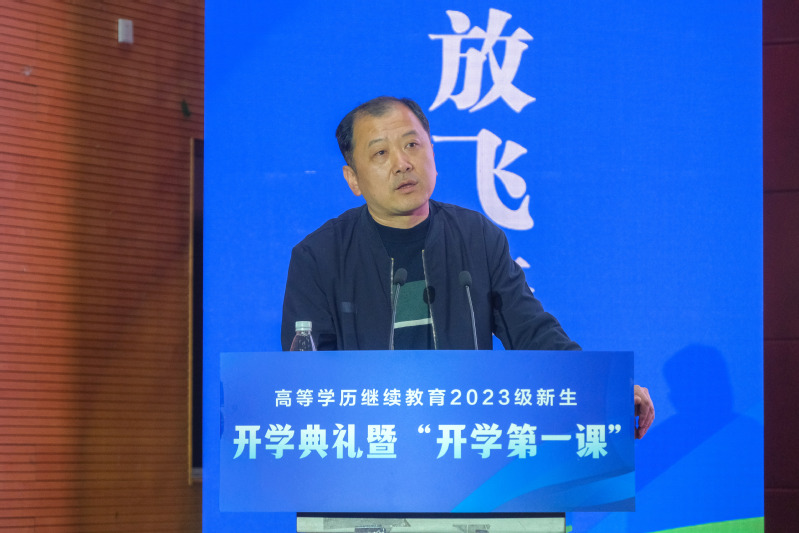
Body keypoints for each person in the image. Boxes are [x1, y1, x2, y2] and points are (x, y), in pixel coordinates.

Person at [281, 96, 654, 438]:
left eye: (412, 145)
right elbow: (306, 380)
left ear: (432, 152)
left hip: (466, 447)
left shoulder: (476, 237)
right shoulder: (320, 257)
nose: (402, 163)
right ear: (353, 179)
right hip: (366, 448)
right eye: (380, 153)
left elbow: (532, 333)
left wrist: (604, 389)